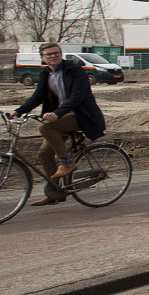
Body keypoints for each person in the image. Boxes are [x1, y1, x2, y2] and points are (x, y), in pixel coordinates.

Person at [11, 42, 107, 206]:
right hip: (60, 117)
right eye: (49, 54)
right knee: (45, 153)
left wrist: (57, 113)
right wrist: (18, 111)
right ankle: (56, 193)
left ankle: (66, 162)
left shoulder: (75, 70)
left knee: (45, 126)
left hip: (80, 114)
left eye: (56, 53)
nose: (53, 56)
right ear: (43, 58)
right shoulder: (45, 74)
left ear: (61, 54)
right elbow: (37, 97)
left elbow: (77, 96)